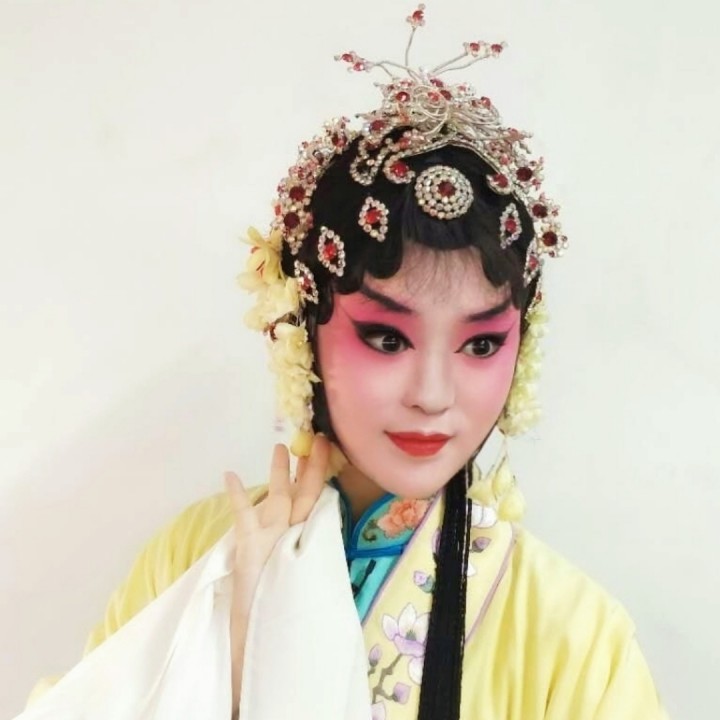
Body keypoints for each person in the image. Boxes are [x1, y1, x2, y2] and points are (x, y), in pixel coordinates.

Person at [22, 5, 669, 720]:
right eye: (387, 339)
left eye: (481, 344)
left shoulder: (578, 640)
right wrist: (225, 658)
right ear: (300, 331)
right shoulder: (195, 557)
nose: (433, 395)